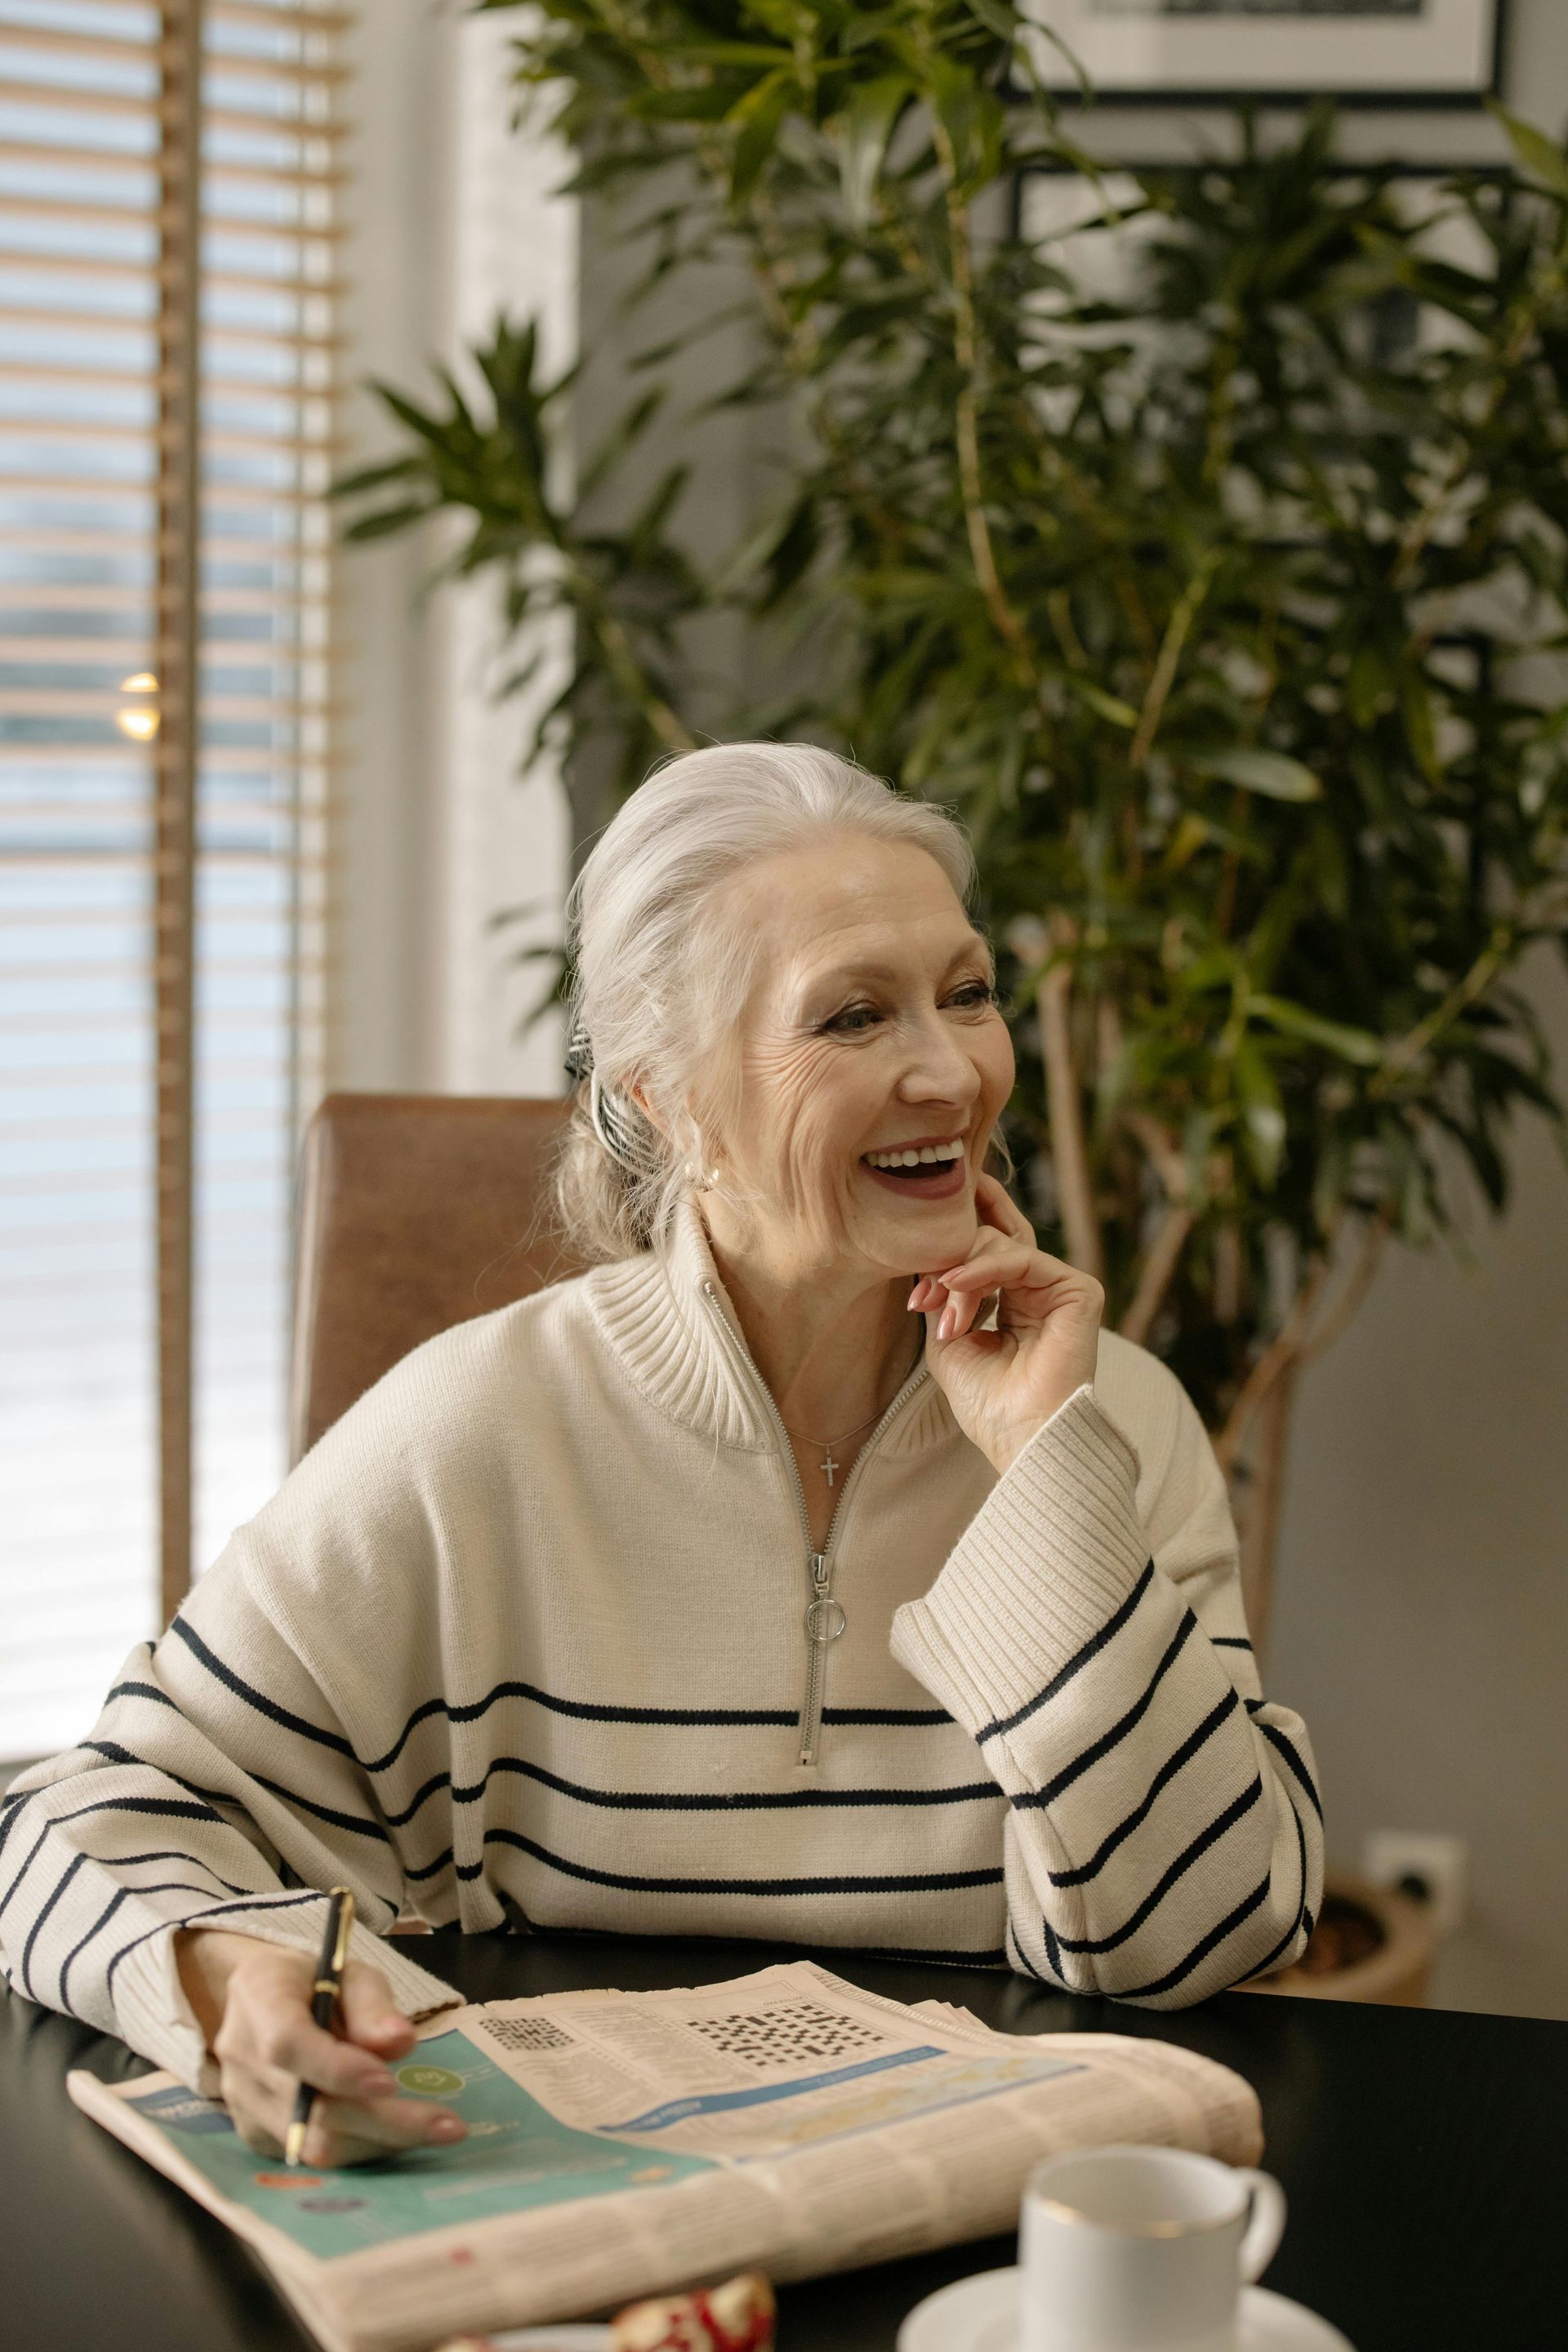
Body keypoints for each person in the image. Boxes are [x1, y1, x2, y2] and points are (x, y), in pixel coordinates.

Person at [0, 743, 1322, 2168]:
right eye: (855, 1017)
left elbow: (1202, 1937)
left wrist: (1046, 1471)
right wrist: (224, 1981)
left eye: (969, 993)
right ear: (666, 1101)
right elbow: (79, 1818)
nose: (950, 1071)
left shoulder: (1108, 1418)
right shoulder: (480, 1425)